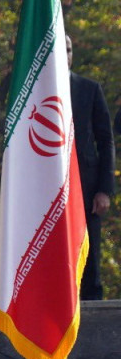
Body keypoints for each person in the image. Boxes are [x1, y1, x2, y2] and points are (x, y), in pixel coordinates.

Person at [67, 36, 113, 300]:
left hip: (87, 192)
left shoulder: (89, 89)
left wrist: (105, 190)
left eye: (69, 50)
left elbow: (105, 141)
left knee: (90, 261)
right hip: (49, 195)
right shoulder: (35, 91)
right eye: (60, 50)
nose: (66, 55)